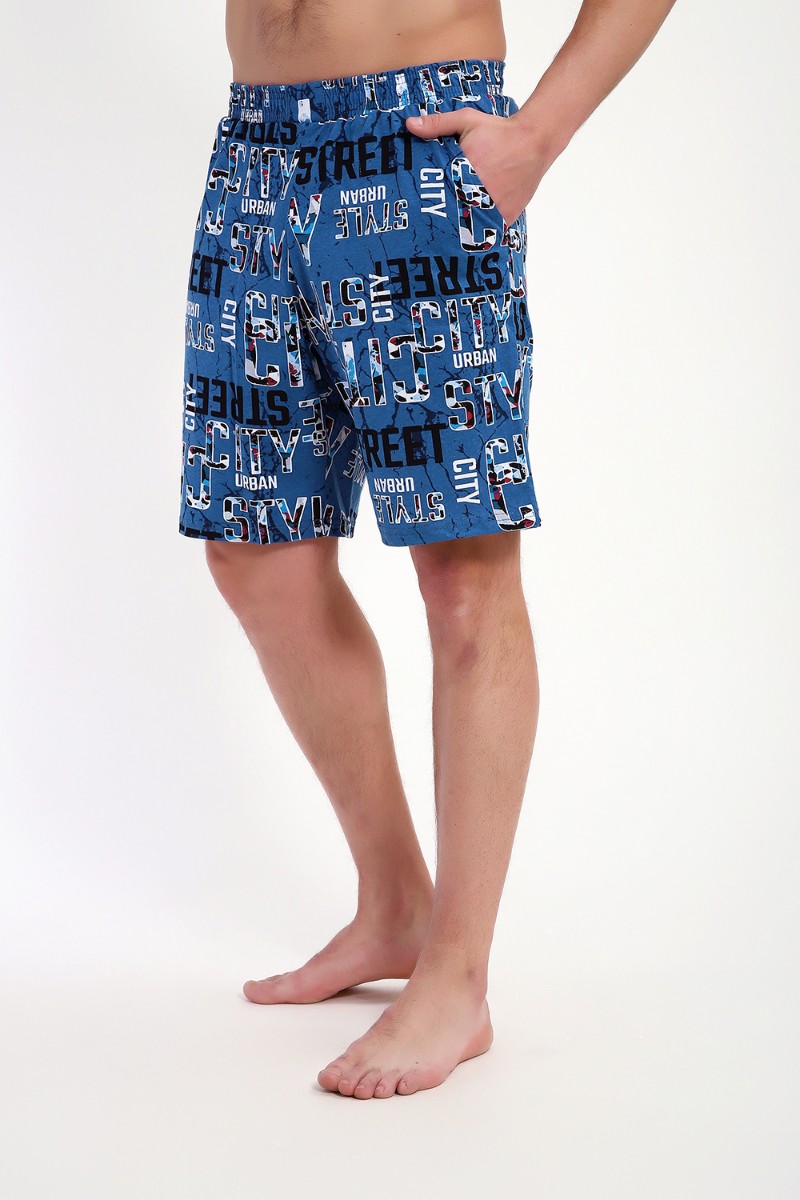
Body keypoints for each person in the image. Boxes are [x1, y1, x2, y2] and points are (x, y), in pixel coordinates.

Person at [178, 0, 676, 1099]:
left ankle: (458, 978)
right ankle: (395, 904)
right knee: (254, 553)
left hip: (415, 140)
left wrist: (536, 134)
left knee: (460, 569)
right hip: (253, 150)